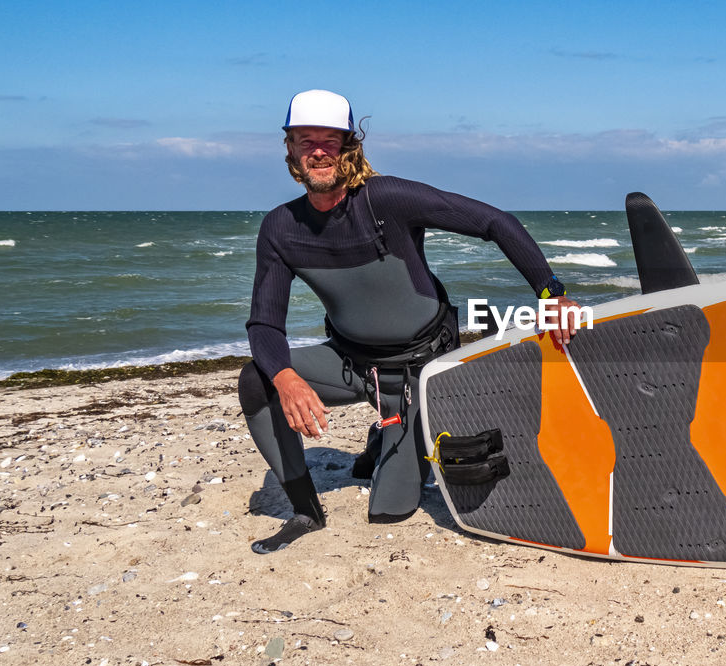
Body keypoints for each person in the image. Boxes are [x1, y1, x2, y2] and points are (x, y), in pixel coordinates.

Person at [239, 89, 580, 554]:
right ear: (291, 151)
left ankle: (387, 434)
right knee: (256, 379)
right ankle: (305, 511)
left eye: (330, 140)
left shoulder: (387, 199)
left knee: (390, 511)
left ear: (349, 147)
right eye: (305, 140)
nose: (318, 151)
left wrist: (551, 294)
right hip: (351, 362)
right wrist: (285, 378)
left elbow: (496, 222)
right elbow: (264, 325)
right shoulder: (281, 228)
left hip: (422, 368)